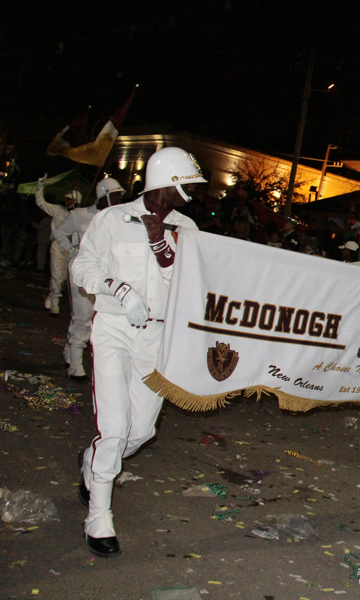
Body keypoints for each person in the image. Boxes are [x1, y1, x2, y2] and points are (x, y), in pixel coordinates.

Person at [72, 148, 203, 558]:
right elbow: (82, 267)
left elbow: (191, 283)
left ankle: (93, 459)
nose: (193, 192)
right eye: (188, 184)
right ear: (168, 182)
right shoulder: (112, 219)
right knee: (114, 428)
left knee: (141, 431)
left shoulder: (187, 228)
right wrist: (119, 289)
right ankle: (98, 516)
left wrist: (161, 244)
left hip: (158, 337)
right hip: (114, 329)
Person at [53, 178, 125, 380]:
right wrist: (70, 249)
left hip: (107, 272)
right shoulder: (79, 215)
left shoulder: (119, 217)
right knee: (83, 313)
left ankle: (71, 348)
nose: (120, 199)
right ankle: (76, 363)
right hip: (82, 269)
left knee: (98, 316)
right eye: (116, 195)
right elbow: (59, 232)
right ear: (104, 196)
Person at [35, 180, 81, 314]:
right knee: (57, 275)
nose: (66, 201)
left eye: (69, 199)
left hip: (72, 248)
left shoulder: (79, 215)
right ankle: (55, 301)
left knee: (64, 277)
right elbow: (41, 203)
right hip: (57, 246)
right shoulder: (58, 210)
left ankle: (52, 294)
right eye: (65, 199)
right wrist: (40, 187)